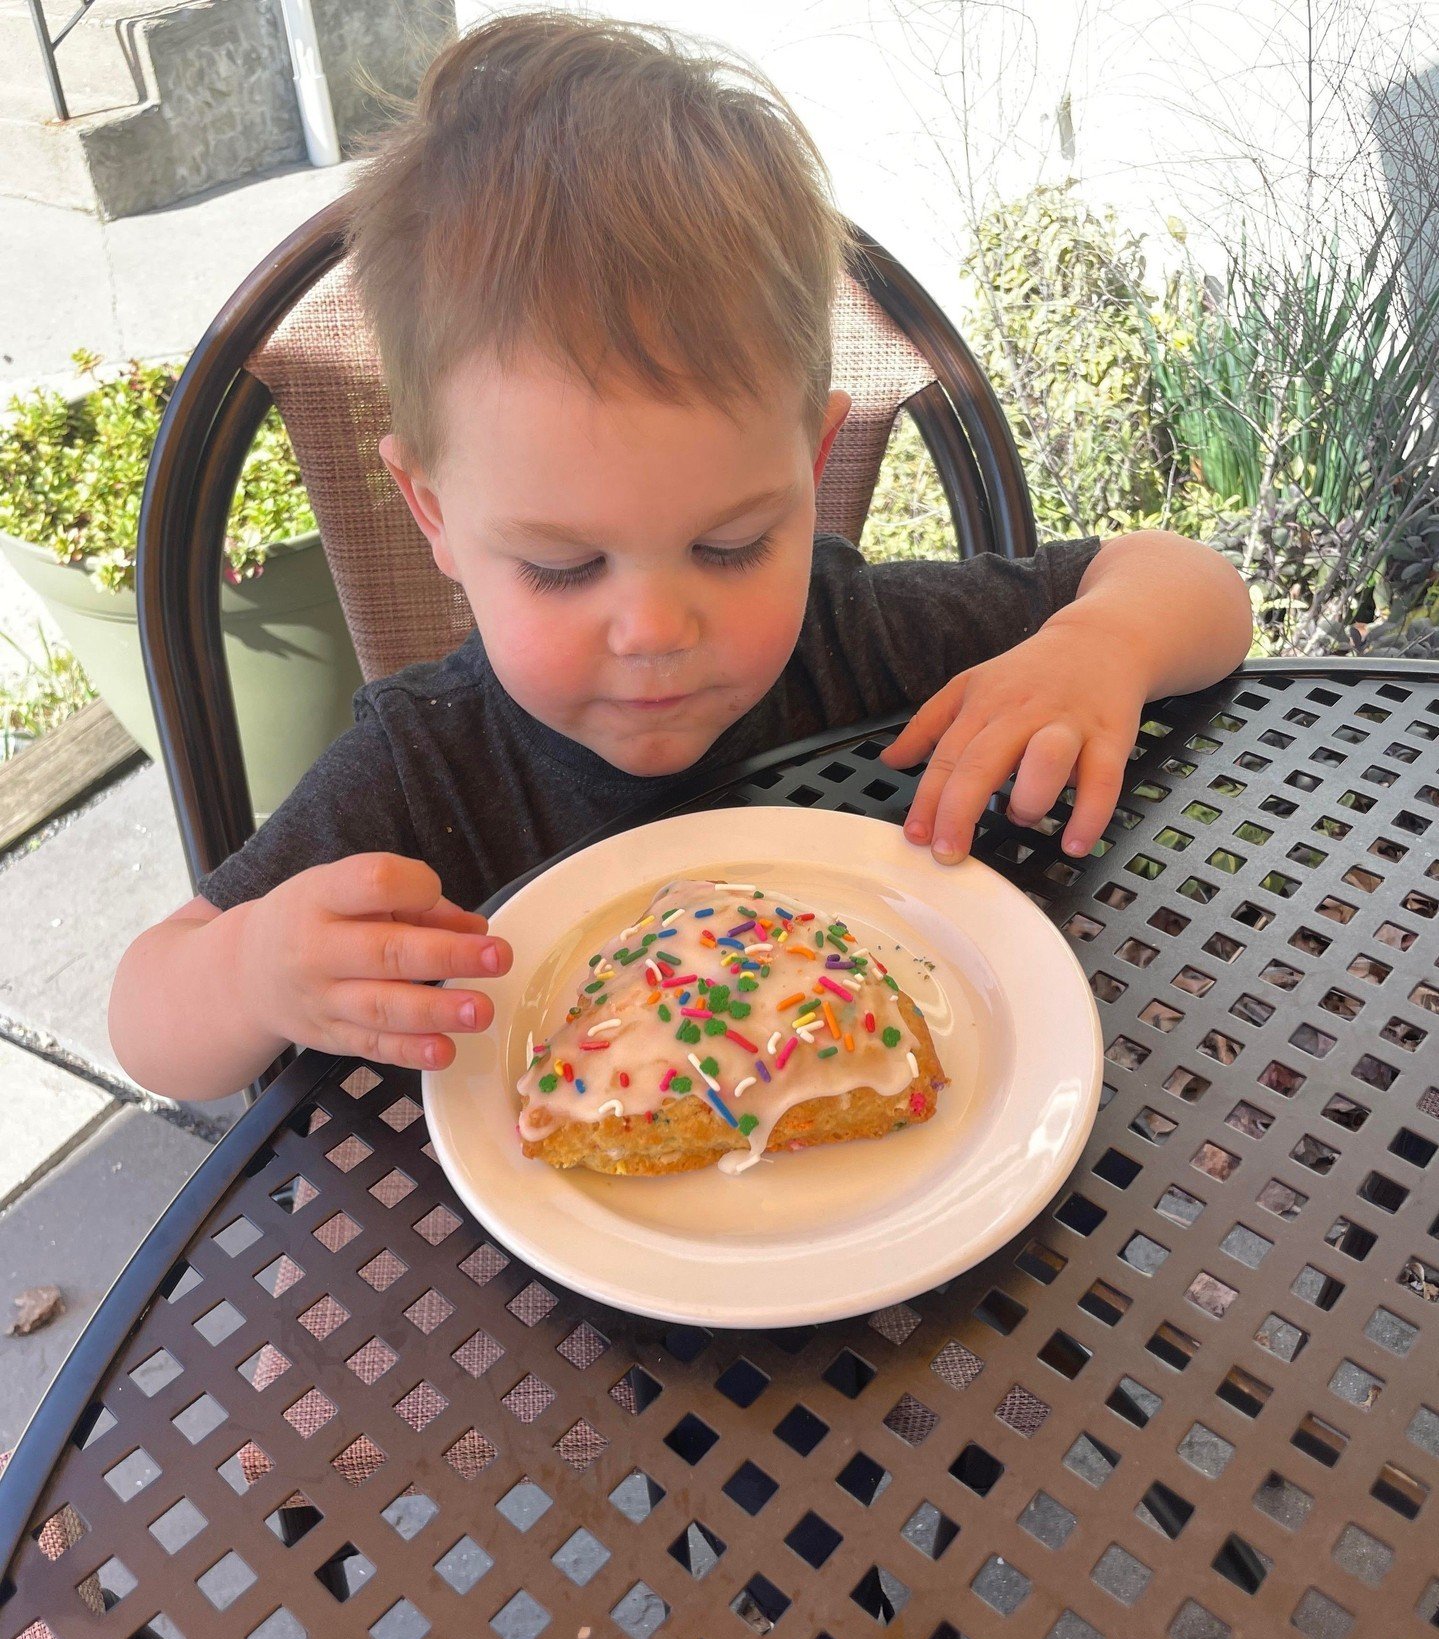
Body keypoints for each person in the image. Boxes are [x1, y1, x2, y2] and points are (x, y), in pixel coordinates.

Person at [109, 9, 1251, 1105]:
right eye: (561, 566)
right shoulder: (424, 769)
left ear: (808, 471)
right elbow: (152, 1021)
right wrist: (250, 971)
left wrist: (1097, 644)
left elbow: (1194, 588)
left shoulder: (855, 639)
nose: (654, 627)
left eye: (729, 544)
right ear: (433, 515)